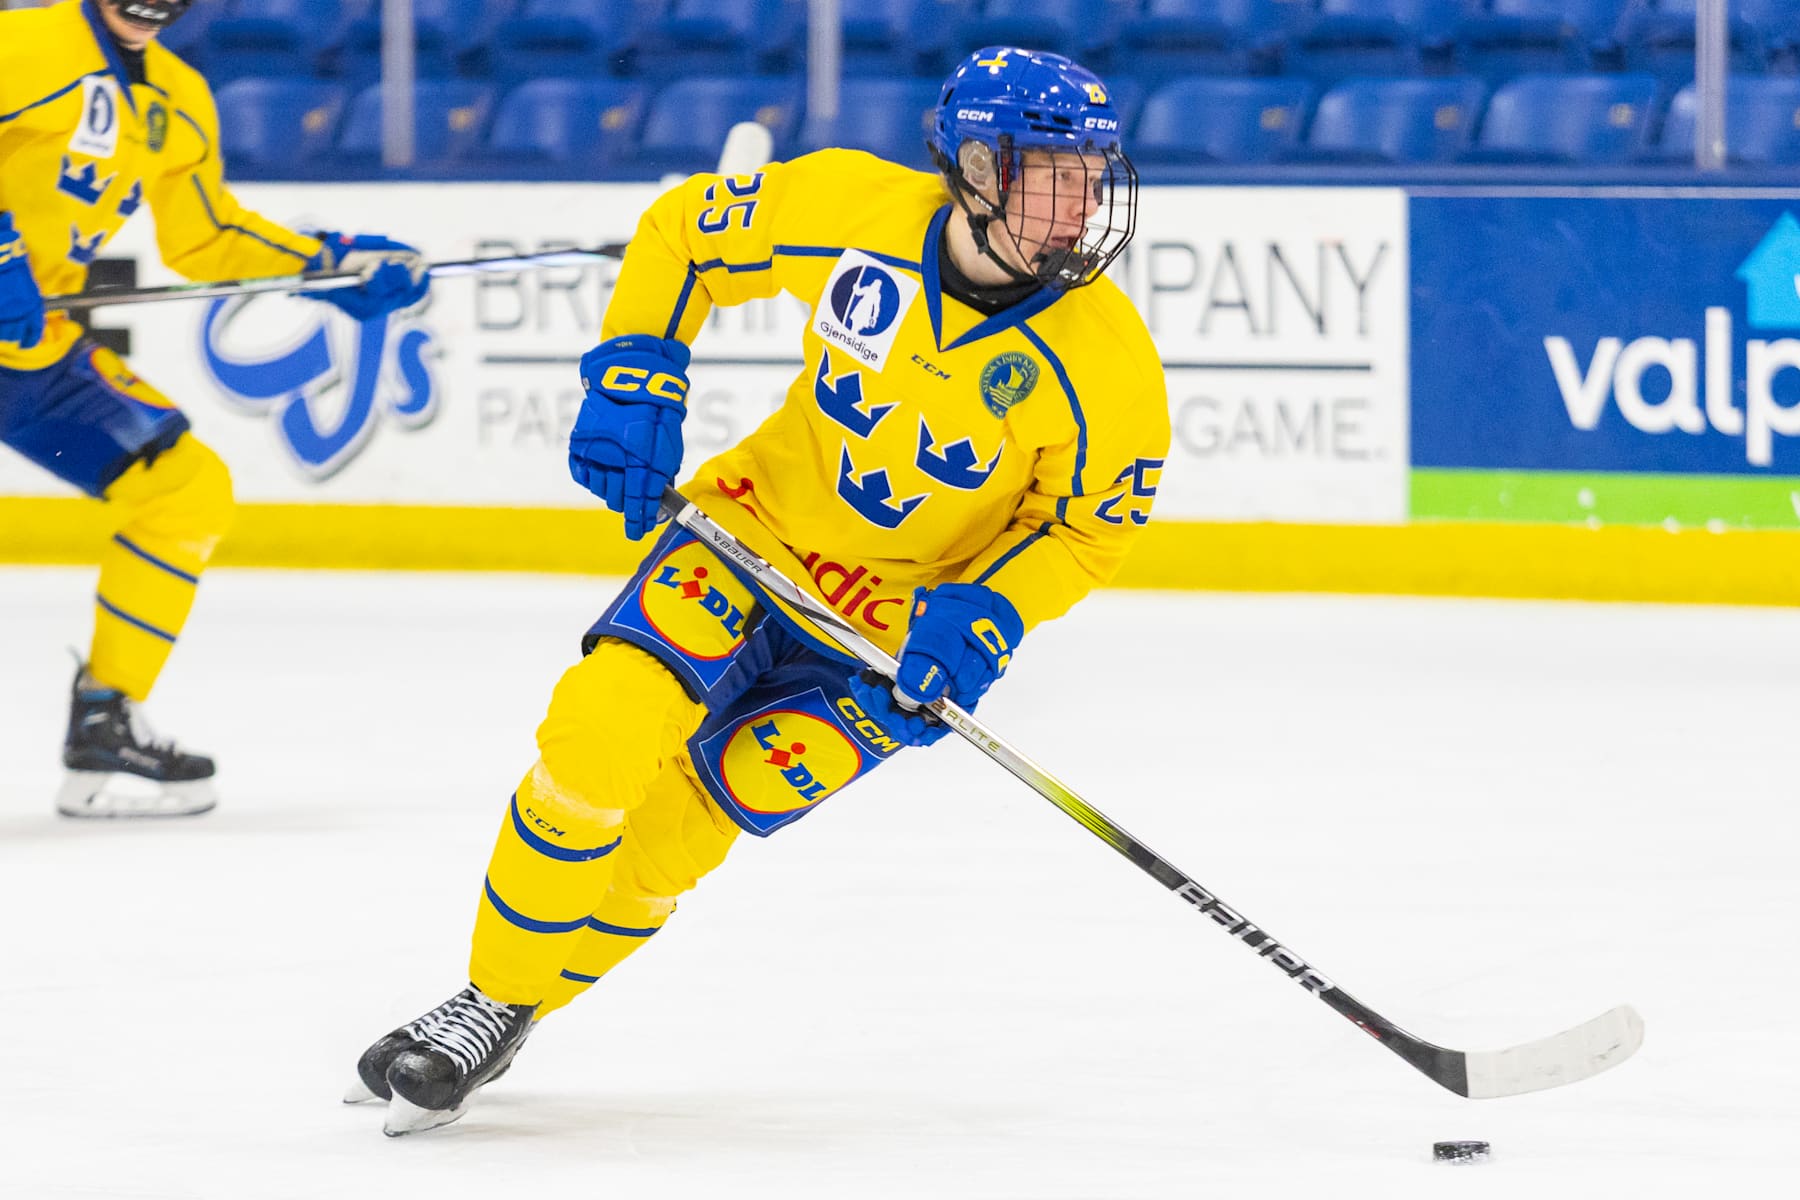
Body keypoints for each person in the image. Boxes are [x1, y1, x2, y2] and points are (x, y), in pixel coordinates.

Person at [350, 45, 1171, 1136]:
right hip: (749, 540)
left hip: (882, 641)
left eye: (1092, 175)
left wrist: (990, 614)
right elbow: (686, 231)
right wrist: (638, 370)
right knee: (598, 737)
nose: (1080, 207)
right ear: (976, 162)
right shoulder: (850, 211)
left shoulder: (1112, 369)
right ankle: (491, 997)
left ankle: (513, 1003)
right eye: (1052, 172)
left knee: (671, 845)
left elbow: (1082, 531)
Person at [0, 0, 430, 817]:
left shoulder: (179, 96)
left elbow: (204, 236)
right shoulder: (18, 38)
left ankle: (105, 722)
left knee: (183, 489)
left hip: (28, 347)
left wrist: (331, 265)